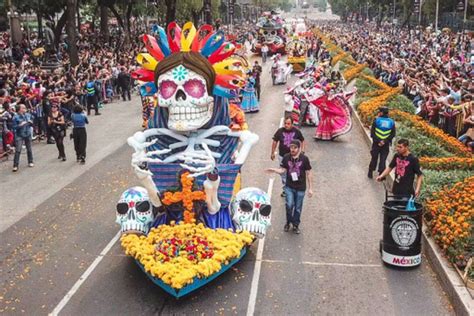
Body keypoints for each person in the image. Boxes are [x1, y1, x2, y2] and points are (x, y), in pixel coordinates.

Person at [266, 140, 313, 234]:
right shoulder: (286, 157)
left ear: (299, 148)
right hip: (289, 187)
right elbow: (283, 170)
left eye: (295, 147)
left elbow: (309, 173)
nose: (293, 149)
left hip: (300, 188)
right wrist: (274, 170)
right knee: (289, 205)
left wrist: (311, 188)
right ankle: (288, 222)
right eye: (291, 147)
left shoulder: (304, 159)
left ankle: (296, 225)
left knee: (298, 207)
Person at [271, 117, 305, 197]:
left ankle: (294, 188)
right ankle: (286, 189)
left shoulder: (296, 131)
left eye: (288, 124)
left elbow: (302, 140)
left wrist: (302, 151)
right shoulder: (280, 131)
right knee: (283, 173)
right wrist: (272, 152)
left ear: (292, 124)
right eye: (285, 123)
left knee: (293, 172)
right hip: (282, 156)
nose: (286, 125)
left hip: (293, 157)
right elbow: (275, 141)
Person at [368, 107, 396, 179]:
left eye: (379, 112)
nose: (378, 113)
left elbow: (372, 133)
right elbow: (393, 134)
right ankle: (381, 175)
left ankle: (370, 172)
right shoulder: (392, 122)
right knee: (383, 160)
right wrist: (384, 141)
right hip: (385, 144)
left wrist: (379, 141)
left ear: (381, 113)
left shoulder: (376, 120)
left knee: (374, 158)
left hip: (376, 144)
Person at [12, 104, 34, 172]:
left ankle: (30, 161)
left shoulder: (28, 115)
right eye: (23, 108)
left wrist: (31, 122)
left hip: (28, 133)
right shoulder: (15, 117)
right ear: (19, 109)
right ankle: (15, 165)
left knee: (29, 149)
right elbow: (14, 127)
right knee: (18, 150)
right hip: (19, 135)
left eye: (25, 108)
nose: (25, 109)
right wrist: (20, 125)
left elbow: (32, 122)